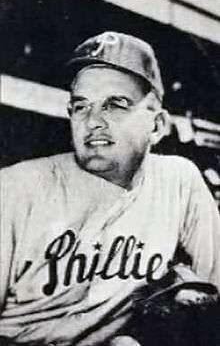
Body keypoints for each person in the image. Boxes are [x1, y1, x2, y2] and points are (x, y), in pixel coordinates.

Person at [0, 31, 220, 346]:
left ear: (156, 125)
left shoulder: (179, 182)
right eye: (81, 106)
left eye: (115, 104)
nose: (93, 121)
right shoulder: (15, 189)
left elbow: (215, 290)